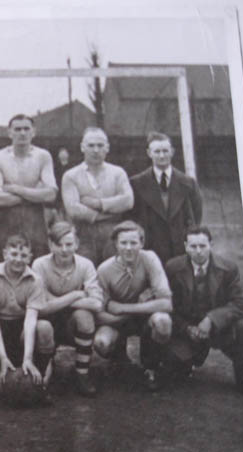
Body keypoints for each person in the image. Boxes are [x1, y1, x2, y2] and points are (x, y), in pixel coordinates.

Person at [164, 226, 243, 394]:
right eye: (193, 246)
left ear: (211, 244)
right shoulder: (173, 268)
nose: (198, 251)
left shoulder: (228, 268)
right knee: (173, 370)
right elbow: (168, 306)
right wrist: (187, 328)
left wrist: (211, 319)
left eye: (202, 246)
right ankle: (187, 362)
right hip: (188, 329)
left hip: (220, 329)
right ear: (185, 246)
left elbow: (241, 304)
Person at [93, 221, 173, 391]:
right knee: (101, 342)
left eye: (133, 242)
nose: (128, 248)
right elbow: (99, 314)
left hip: (141, 317)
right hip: (116, 321)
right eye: (123, 243)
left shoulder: (149, 258)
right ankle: (119, 359)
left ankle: (151, 366)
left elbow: (166, 303)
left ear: (142, 243)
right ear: (116, 244)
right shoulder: (104, 270)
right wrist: (122, 315)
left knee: (163, 322)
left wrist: (124, 308)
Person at [0, 234, 54, 403]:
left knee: (44, 327)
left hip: (20, 327)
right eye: (14, 254)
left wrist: (27, 357)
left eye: (23, 255)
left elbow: (30, 320)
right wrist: (3, 357)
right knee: (6, 390)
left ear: (30, 257)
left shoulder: (35, 280)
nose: (18, 260)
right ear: (4, 254)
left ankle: (40, 377)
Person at [31, 221, 103, 396]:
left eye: (69, 244)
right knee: (42, 326)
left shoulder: (85, 265)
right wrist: (75, 295)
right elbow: (39, 306)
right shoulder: (39, 264)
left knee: (85, 316)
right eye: (58, 244)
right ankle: (44, 370)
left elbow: (97, 303)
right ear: (50, 245)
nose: (64, 249)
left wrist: (56, 301)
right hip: (49, 320)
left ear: (76, 244)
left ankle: (82, 373)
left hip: (72, 322)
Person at [0, 114, 57, 265]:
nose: (22, 133)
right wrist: (35, 193)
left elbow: (51, 194)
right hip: (6, 219)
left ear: (34, 131)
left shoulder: (43, 156)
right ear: (9, 133)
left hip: (35, 219)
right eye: (17, 129)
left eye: (26, 129)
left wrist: (15, 189)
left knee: (38, 262)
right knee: (2, 263)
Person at [62, 127, 134, 266]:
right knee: (85, 273)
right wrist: (108, 214)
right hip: (83, 235)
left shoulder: (117, 173)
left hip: (113, 234)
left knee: (115, 272)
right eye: (91, 145)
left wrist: (97, 203)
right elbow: (73, 209)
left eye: (100, 145)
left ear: (107, 147)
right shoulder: (71, 175)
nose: (96, 150)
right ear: (82, 147)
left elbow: (128, 201)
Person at [130, 131, 202, 264]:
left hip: (180, 249)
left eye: (165, 151)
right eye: (157, 151)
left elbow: (196, 215)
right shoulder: (137, 183)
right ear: (149, 153)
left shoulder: (188, 183)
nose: (162, 155)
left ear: (172, 152)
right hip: (150, 250)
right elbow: (132, 216)